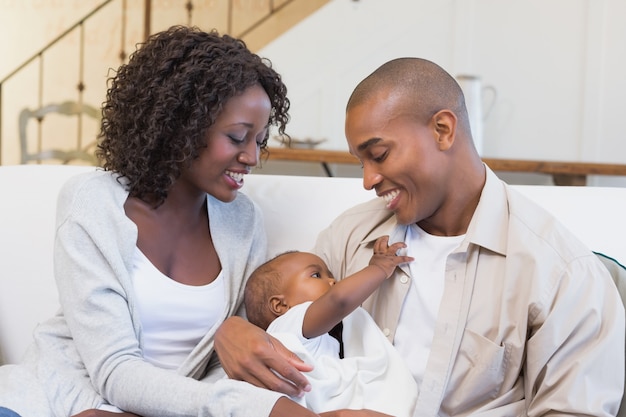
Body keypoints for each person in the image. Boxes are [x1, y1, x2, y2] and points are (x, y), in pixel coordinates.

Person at [214, 57, 625, 416]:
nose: (368, 179)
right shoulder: (350, 237)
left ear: (443, 130)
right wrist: (233, 331)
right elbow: (282, 323)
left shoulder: (563, 273)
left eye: (379, 155)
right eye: (361, 163)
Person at [0, 25, 341, 417]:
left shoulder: (242, 222)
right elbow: (112, 369)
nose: (251, 156)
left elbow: (225, 363)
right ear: (182, 126)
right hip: (54, 400)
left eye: (259, 140)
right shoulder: (93, 204)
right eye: (237, 136)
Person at [244, 236, 417, 415]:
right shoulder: (286, 326)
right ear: (280, 306)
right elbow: (338, 300)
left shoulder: (325, 340)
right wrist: (378, 268)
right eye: (316, 275)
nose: (333, 282)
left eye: (331, 275)